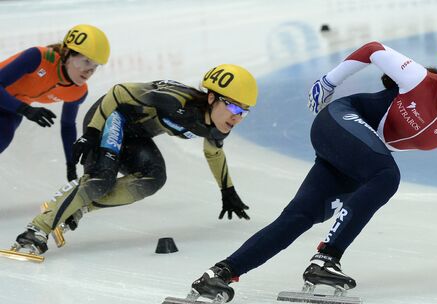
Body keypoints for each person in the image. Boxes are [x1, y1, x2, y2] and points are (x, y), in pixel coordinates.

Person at [188, 42, 437, 303]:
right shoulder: (419, 80)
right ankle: (326, 259)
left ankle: (219, 273)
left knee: (300, 215)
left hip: (359, 154)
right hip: (341, 121)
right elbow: (373, 49)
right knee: (386, 176)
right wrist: (330, 81)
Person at [10, 64, 257, 256]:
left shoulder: (218, 127)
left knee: (153, 179)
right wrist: (92, 133)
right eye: (234, 108)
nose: (237, 118)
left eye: (244, 112)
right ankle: (36, 231)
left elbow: (213, 152)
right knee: (100, 181)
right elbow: (119, 92)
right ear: (212, 98)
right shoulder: (176, 100)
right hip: (111, 117)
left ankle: (76, 205)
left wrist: (228, 190)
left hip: (135, 135)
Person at [0, 24, 110, 181]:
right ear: (67, 54)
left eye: (95, 66)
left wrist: (70, 165)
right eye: (86, 61)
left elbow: (67, 125)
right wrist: (26, 110)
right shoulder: (38, 58)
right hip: (14, 104)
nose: (90, 71)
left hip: (11, 108)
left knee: (3, 136)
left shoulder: (77, 92)